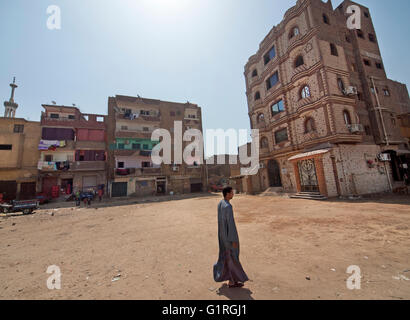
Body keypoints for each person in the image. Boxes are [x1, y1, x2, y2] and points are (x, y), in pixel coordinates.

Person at [213, 186, 249, 288]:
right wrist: (233, 239)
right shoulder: (228, 206)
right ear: (228, 194)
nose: (233, 194)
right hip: (229, 238)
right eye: (232, 192)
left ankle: (231, 279)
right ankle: (232, 281)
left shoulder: (220, 204)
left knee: (227, 258)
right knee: (233, 259)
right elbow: (230, 224)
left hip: (222, 237)